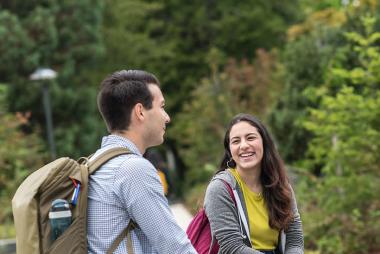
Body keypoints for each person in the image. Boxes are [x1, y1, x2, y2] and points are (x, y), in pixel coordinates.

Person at [87, 70, 197, 253]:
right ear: (140, 112)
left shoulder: (94, 163)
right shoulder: (133, 169)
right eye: (161, 107)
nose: (167, 117)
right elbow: (173, 246)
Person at [204, 113, 304, 254]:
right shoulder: (220, 188)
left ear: (264, 142)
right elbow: (232, 247)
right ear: (229, 150)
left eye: (250, 138)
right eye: (236, 141)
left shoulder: (280, 185)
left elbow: (294, 239)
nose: (244, 145)